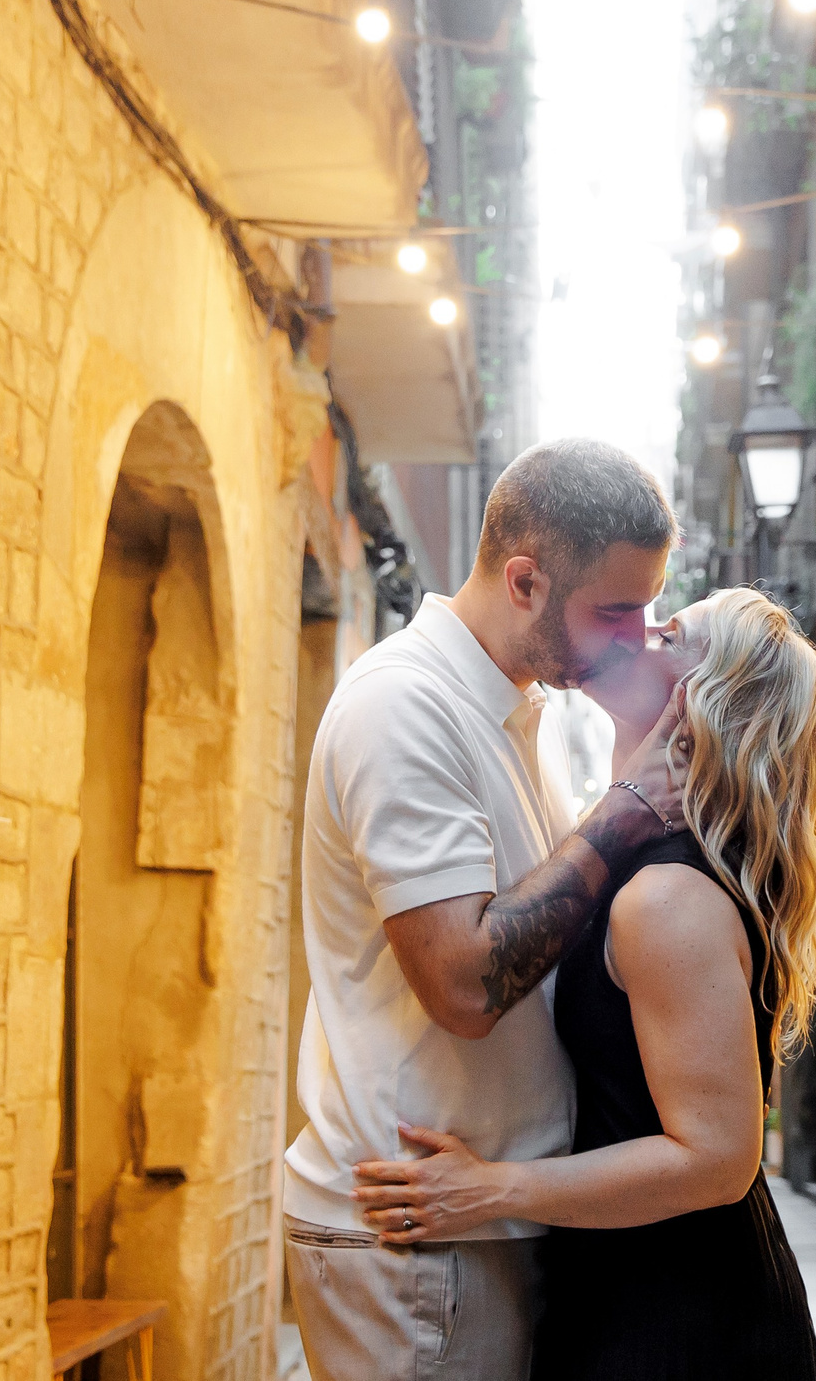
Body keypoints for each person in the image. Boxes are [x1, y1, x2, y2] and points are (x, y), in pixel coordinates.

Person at [354, 586, 816, 1380]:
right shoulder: (642, 865)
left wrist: (488, 1190)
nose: (637, 631)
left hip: (678, 1316)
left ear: (704, 706)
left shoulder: (667, 897)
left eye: (670, 634)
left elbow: (718, 1159)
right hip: (630, 1282)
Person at [284, 439, 687, 1381]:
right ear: (524, 581)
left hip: (473, 1218)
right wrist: (627, 812)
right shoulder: (405, 705)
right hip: (416, 1233)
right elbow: (464, 986)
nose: (634, 637)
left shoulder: (513, 708)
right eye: (614, 611)